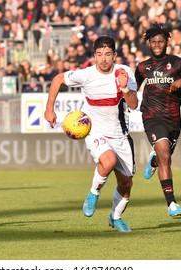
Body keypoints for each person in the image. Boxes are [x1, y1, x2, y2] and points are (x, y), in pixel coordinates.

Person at [44, 36, 138, 232]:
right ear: (94, 56)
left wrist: (124, 87)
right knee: (108, 161)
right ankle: (93, 193)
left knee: (126, 184)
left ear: (114, 55)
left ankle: (115, 217)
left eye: (108, 54)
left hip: (120, 134)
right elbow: (58, 79)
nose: (104, 59)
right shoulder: (86, 75)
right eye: (99, 54)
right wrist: (49, 109)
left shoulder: (125, 72)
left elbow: (134, 104)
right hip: (95, 131)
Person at [135, 23, 181, 217]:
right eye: (154, 41)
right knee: (164, 152)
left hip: (173, 120)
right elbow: (132, 90)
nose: (157, 44)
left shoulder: (179, 63)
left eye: (161, 41)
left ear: (166, 42)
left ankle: (154, 160)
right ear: (149, 43)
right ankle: (171, 203)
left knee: (164, 156)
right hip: (151, 117)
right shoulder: (142, 67)